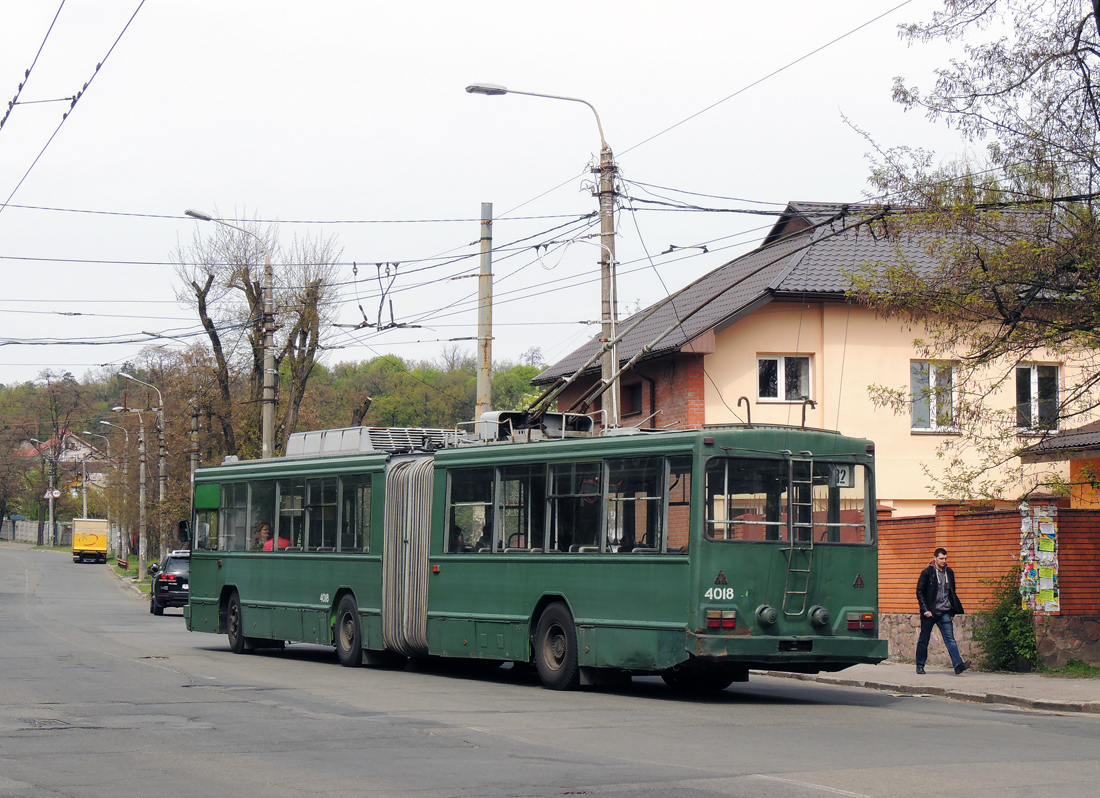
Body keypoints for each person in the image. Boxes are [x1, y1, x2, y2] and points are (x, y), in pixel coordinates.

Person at [915, 547, 970, 675]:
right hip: (930, 612)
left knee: (950, 639)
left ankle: (958, 665)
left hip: (945, 611)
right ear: (935, 559)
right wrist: (925, 609)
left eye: (945, 558)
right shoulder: (927, 573)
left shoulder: (949, 572)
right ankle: (920, 665)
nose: (944, 561)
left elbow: (952, 592)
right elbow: (919, 592)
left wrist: (952, 611)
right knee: (924, 639)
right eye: (941, 558)